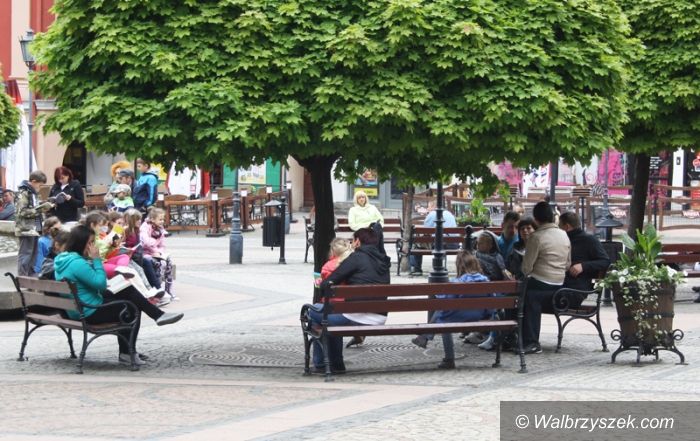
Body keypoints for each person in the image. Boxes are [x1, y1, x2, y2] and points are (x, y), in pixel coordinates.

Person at [54, 225, 183, 366]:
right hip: (89, 311)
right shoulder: (77, 263)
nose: (93, 246)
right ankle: (128, 351)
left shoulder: (63, 259)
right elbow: (100, 284)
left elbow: (88, 283)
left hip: (77, 309)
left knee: (127, 291)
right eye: (90, 242)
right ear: (80, 243)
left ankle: (156, 318)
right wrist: (96, 260)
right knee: (132, 308)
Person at [310, 227, 391, 373]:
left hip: (356, 316)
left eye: (353, 240)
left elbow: (328, 283)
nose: (352, 244)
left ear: (358, 241)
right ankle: (335, 364)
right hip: (379, 318)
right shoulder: (383, 261)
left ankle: (323, 364)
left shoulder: (356, 258)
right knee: (330, 319)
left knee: (313, 312)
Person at [411, 252, 493, 369]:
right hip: (480, 316)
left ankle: (447, 357)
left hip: (462, 317)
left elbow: (446, 301)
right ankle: (424, 337)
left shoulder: (458, 282)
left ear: (460, 266)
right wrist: (487, 314)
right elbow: (492, 301)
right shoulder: (486, 281)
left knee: (443, 317)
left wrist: (438, 295)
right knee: (443, 313)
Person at [520, 201, 571, 354]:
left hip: (540, 283)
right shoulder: (564, 235)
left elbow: (526, 268)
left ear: (536, 219)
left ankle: (528, 341)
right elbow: (568, 264)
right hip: (560, 284)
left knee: (521, 294)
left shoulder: (536, 237)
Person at [558, 212, 610, 307]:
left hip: (574, 290)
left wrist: (583, 266)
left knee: (534, 297)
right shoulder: (561, 240)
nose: (558, 229)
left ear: (567, 226)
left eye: (559, 226)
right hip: (561, 285)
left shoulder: (589, 240)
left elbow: (605, 261)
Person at [15, 170, 54, 276]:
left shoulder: (32, 193)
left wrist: (46, 204)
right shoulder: (23, 193)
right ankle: (22, 277)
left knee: (34, 255)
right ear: (33, 181)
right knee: (25, 254)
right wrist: (41, 209)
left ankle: (30, 276)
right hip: (26, 229)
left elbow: (34, 207)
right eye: (40, 185)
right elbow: (22, 212)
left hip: (35, 229)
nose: (40, 188)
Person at [409, 201, 458, 276]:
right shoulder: (449, 214)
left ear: (433, 207)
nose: (428, 208)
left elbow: (426, 230)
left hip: (437, 245)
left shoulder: (432, 214)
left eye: (429, 206)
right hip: (453, 244)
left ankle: (416, 268)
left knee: (416, 244)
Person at [140, 207, 176, 301]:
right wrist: (155, 248)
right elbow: (146, 242)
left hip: (156, 252)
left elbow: (162, 245)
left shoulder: (160, 229)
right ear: (152, 219)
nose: (162, 221)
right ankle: (158, 289)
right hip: (145, 253)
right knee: (158, 264)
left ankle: (169, 290)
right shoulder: (145, 227)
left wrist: (159, 252)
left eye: (163, 219)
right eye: (160, 219)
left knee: (169, 263)